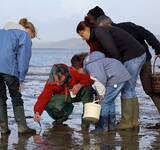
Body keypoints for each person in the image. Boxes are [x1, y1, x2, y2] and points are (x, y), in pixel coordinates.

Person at [87, 6, 160, 114]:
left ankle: (129, 121)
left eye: (91, 22)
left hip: (140, 60)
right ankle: (132, 120)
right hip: (138, 59)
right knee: (139, 89)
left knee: (138, 89)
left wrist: (157, 48)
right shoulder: (107, 33)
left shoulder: (125, 27)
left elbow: (146, 34)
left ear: (98, 21)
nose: (91, 26)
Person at [76, 18, 146, 130]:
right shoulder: (99, 32)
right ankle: (133, 122)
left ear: (86, 29)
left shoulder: (99, 32)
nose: (83, 38)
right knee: (130, 89)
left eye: (81, 34)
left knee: (126, 89)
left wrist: (116, 67)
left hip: (132, 56)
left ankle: (126, 122)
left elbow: (113, 51)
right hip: (138, 53)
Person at [71, 51, 131, 133]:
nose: (79, 74)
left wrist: (100, 95)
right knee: (110, 102)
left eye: (77, 71)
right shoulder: (93, 61)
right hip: (121, 75)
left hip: (115, 78)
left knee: (105, 102)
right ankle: (111, 126)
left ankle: (102, 128)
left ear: (79, 67)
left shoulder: (90, 65)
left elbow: (100, 79)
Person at [0, 18, 36, 134]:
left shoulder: (2, 32)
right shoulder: (24, 35)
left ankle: (3, 129)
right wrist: (21, 80)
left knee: (0, 98)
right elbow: (23, 59)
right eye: (32, 37)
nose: (31, 40)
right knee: (16, 97)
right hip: (10, 69)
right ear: (29, 31)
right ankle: (22, 127)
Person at [33, 64, 95, 131]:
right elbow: (43, 97)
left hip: (77, 94)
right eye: (56, 81)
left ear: (67, 75)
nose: (58, 84)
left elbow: (91, 79)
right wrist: (37, 112)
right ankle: (60, 119)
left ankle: (85, 125)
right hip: (63, 97)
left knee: (88, 89)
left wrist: (80, 85)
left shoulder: (73, 72)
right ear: (54, 75)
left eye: (61, 82)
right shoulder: (50, 82)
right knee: (48, 104)